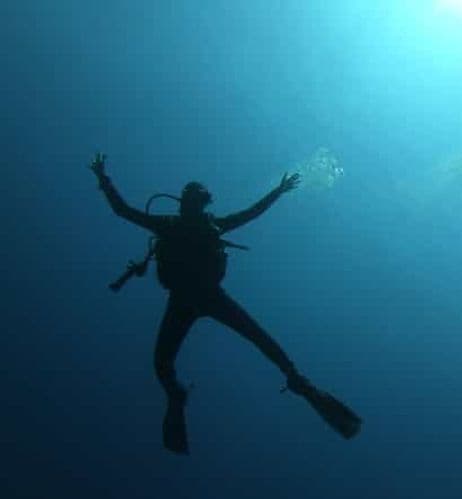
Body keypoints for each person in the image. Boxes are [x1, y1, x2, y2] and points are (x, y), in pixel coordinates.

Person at [90, 153, 361, 454]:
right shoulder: (174, 225)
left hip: (200, 297)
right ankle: (181, 394)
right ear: (185, 201)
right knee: (173, 360)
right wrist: (104, 179)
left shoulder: (195, 226)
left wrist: (277, 191)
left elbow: (249, 214)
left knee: (254, 341)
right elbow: (123, 211)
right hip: (195, 297)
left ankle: (299, 381)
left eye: (197, 197)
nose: (195, 201)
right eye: (192, 196)